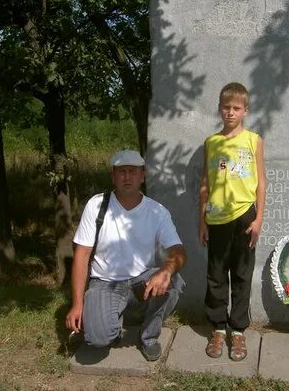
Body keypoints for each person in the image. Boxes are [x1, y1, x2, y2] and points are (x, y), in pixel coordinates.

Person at [65, 150, 186, 361]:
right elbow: (82, 255)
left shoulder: (157, 212)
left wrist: (165, 271)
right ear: (113, 176)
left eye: (132, 172)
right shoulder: (96, 206)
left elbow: (179, 251)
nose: (127, 177)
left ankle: (148, 336)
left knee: (174, 280)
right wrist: (77, 305)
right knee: (97, 340)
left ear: (142, 176)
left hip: (141, 281)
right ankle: (112, 322)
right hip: (105, 282)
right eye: (121, 172)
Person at [198, 82, 266, 361]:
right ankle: (217, 327)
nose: (230, 112)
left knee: (241, 275)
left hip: (244, 216)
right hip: (217, 217)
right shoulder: (211, 143)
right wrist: (202, 220)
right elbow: (205, 182)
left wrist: (259, 218)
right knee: (216, 275)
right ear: (219, 108)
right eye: (226, 107)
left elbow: (262, 183)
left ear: (245, 111)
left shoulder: (253, 140)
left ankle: (237, 332)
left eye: (236, 108)